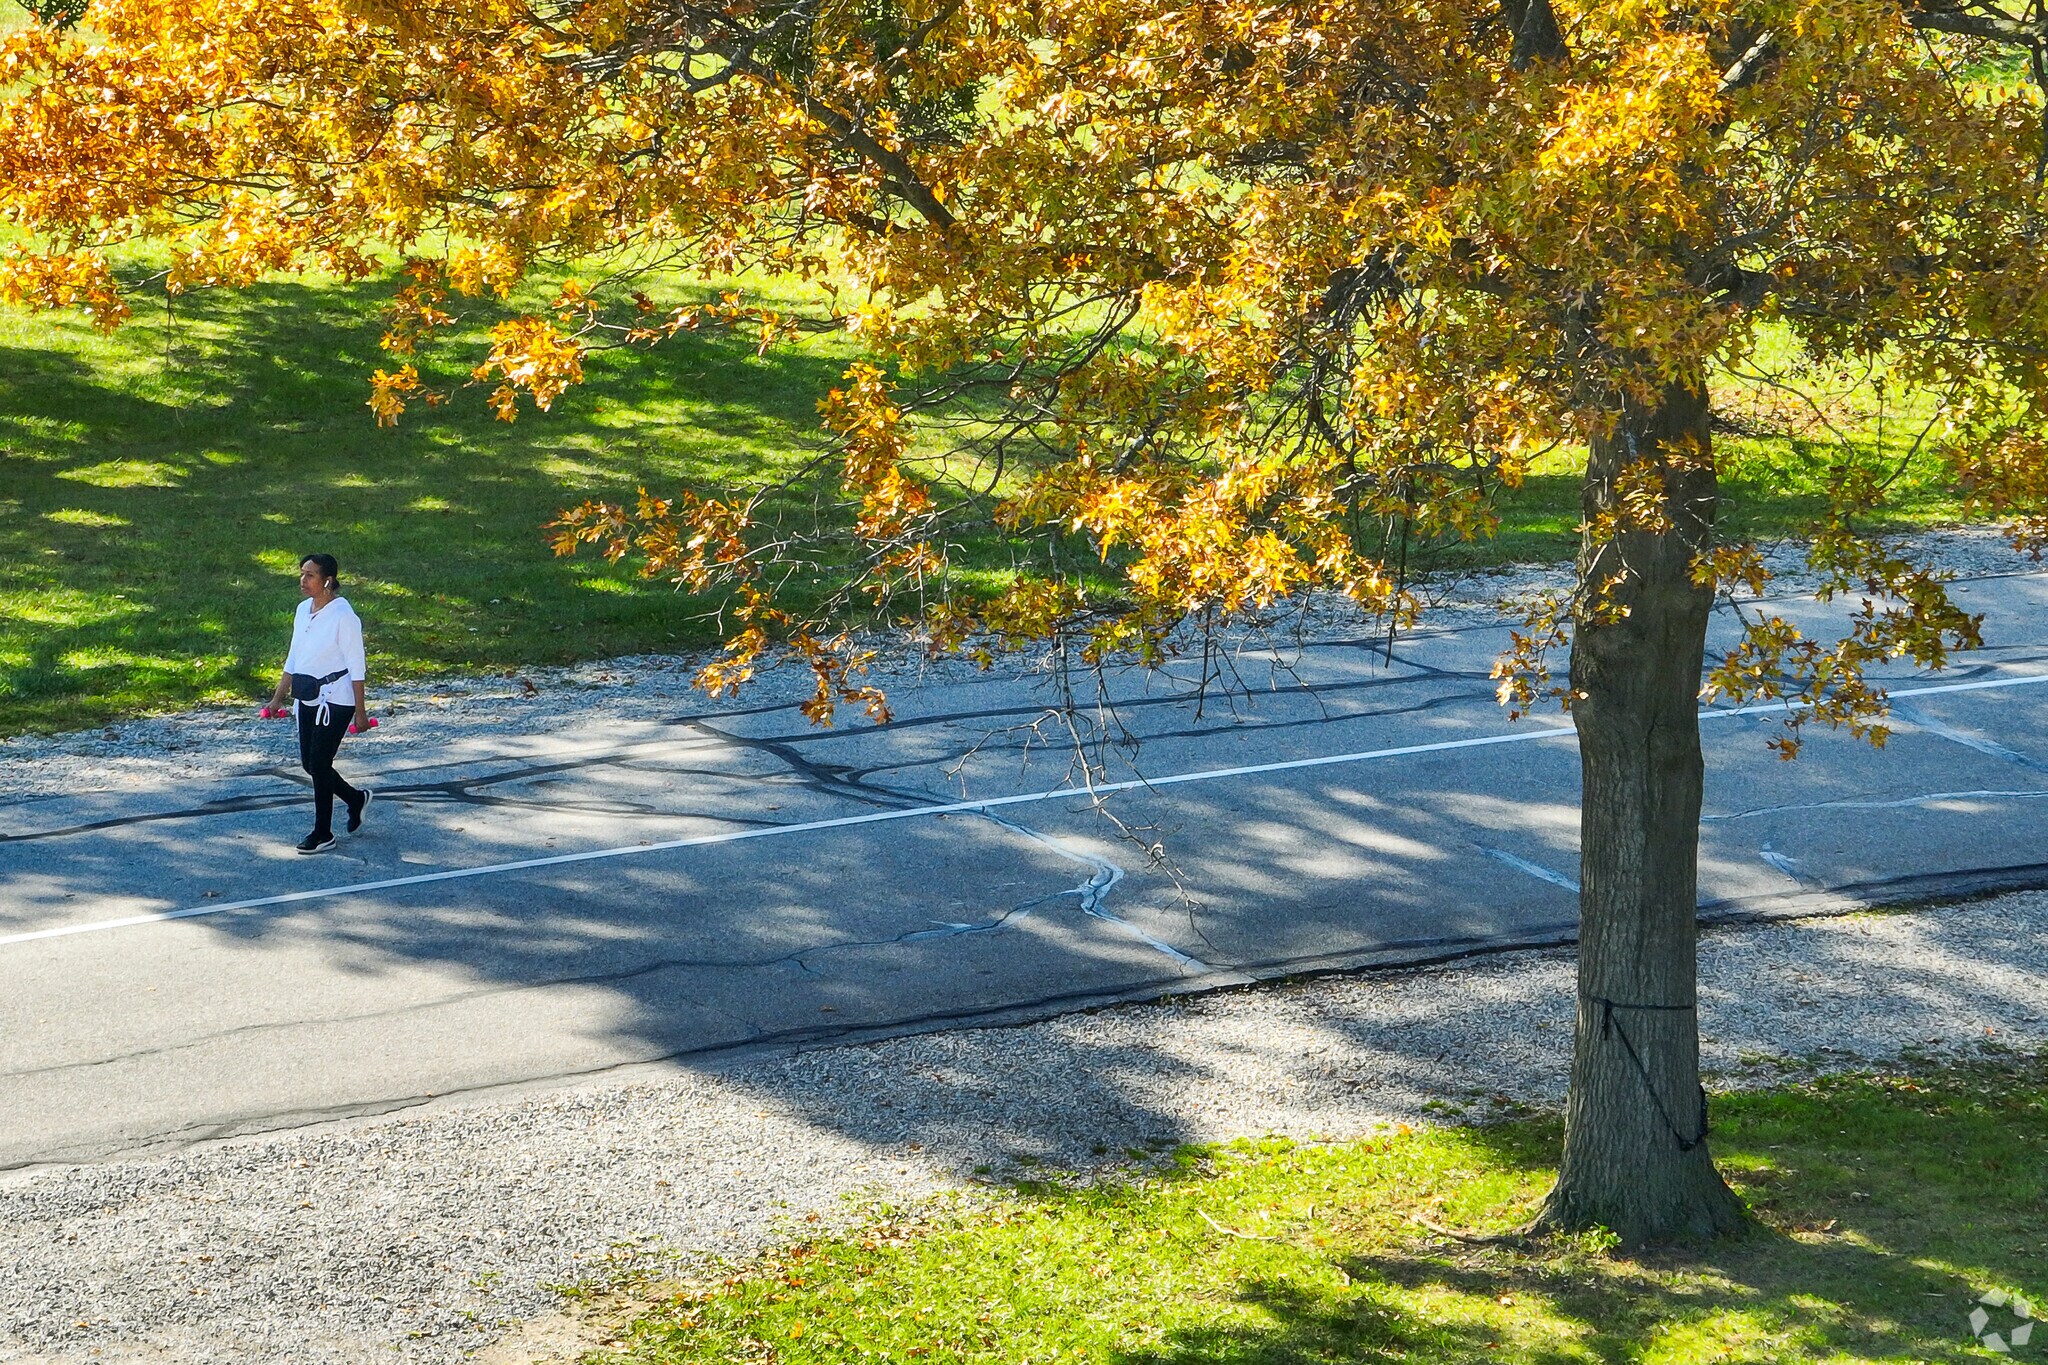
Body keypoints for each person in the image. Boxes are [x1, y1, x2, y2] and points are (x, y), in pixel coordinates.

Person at [263, 553, 375, 854]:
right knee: (310, 764)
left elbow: (357, 667)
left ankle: (323, 832)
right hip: (307, 697)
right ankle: (355, 799)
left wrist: (360, 713)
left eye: (310, 575)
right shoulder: (303, 610)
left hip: (336, 700)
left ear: (327, 581)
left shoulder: (344, 617)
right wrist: (277, 697)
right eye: (302, 573)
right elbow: (294, 657)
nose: (303, 580)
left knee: (320, 764)